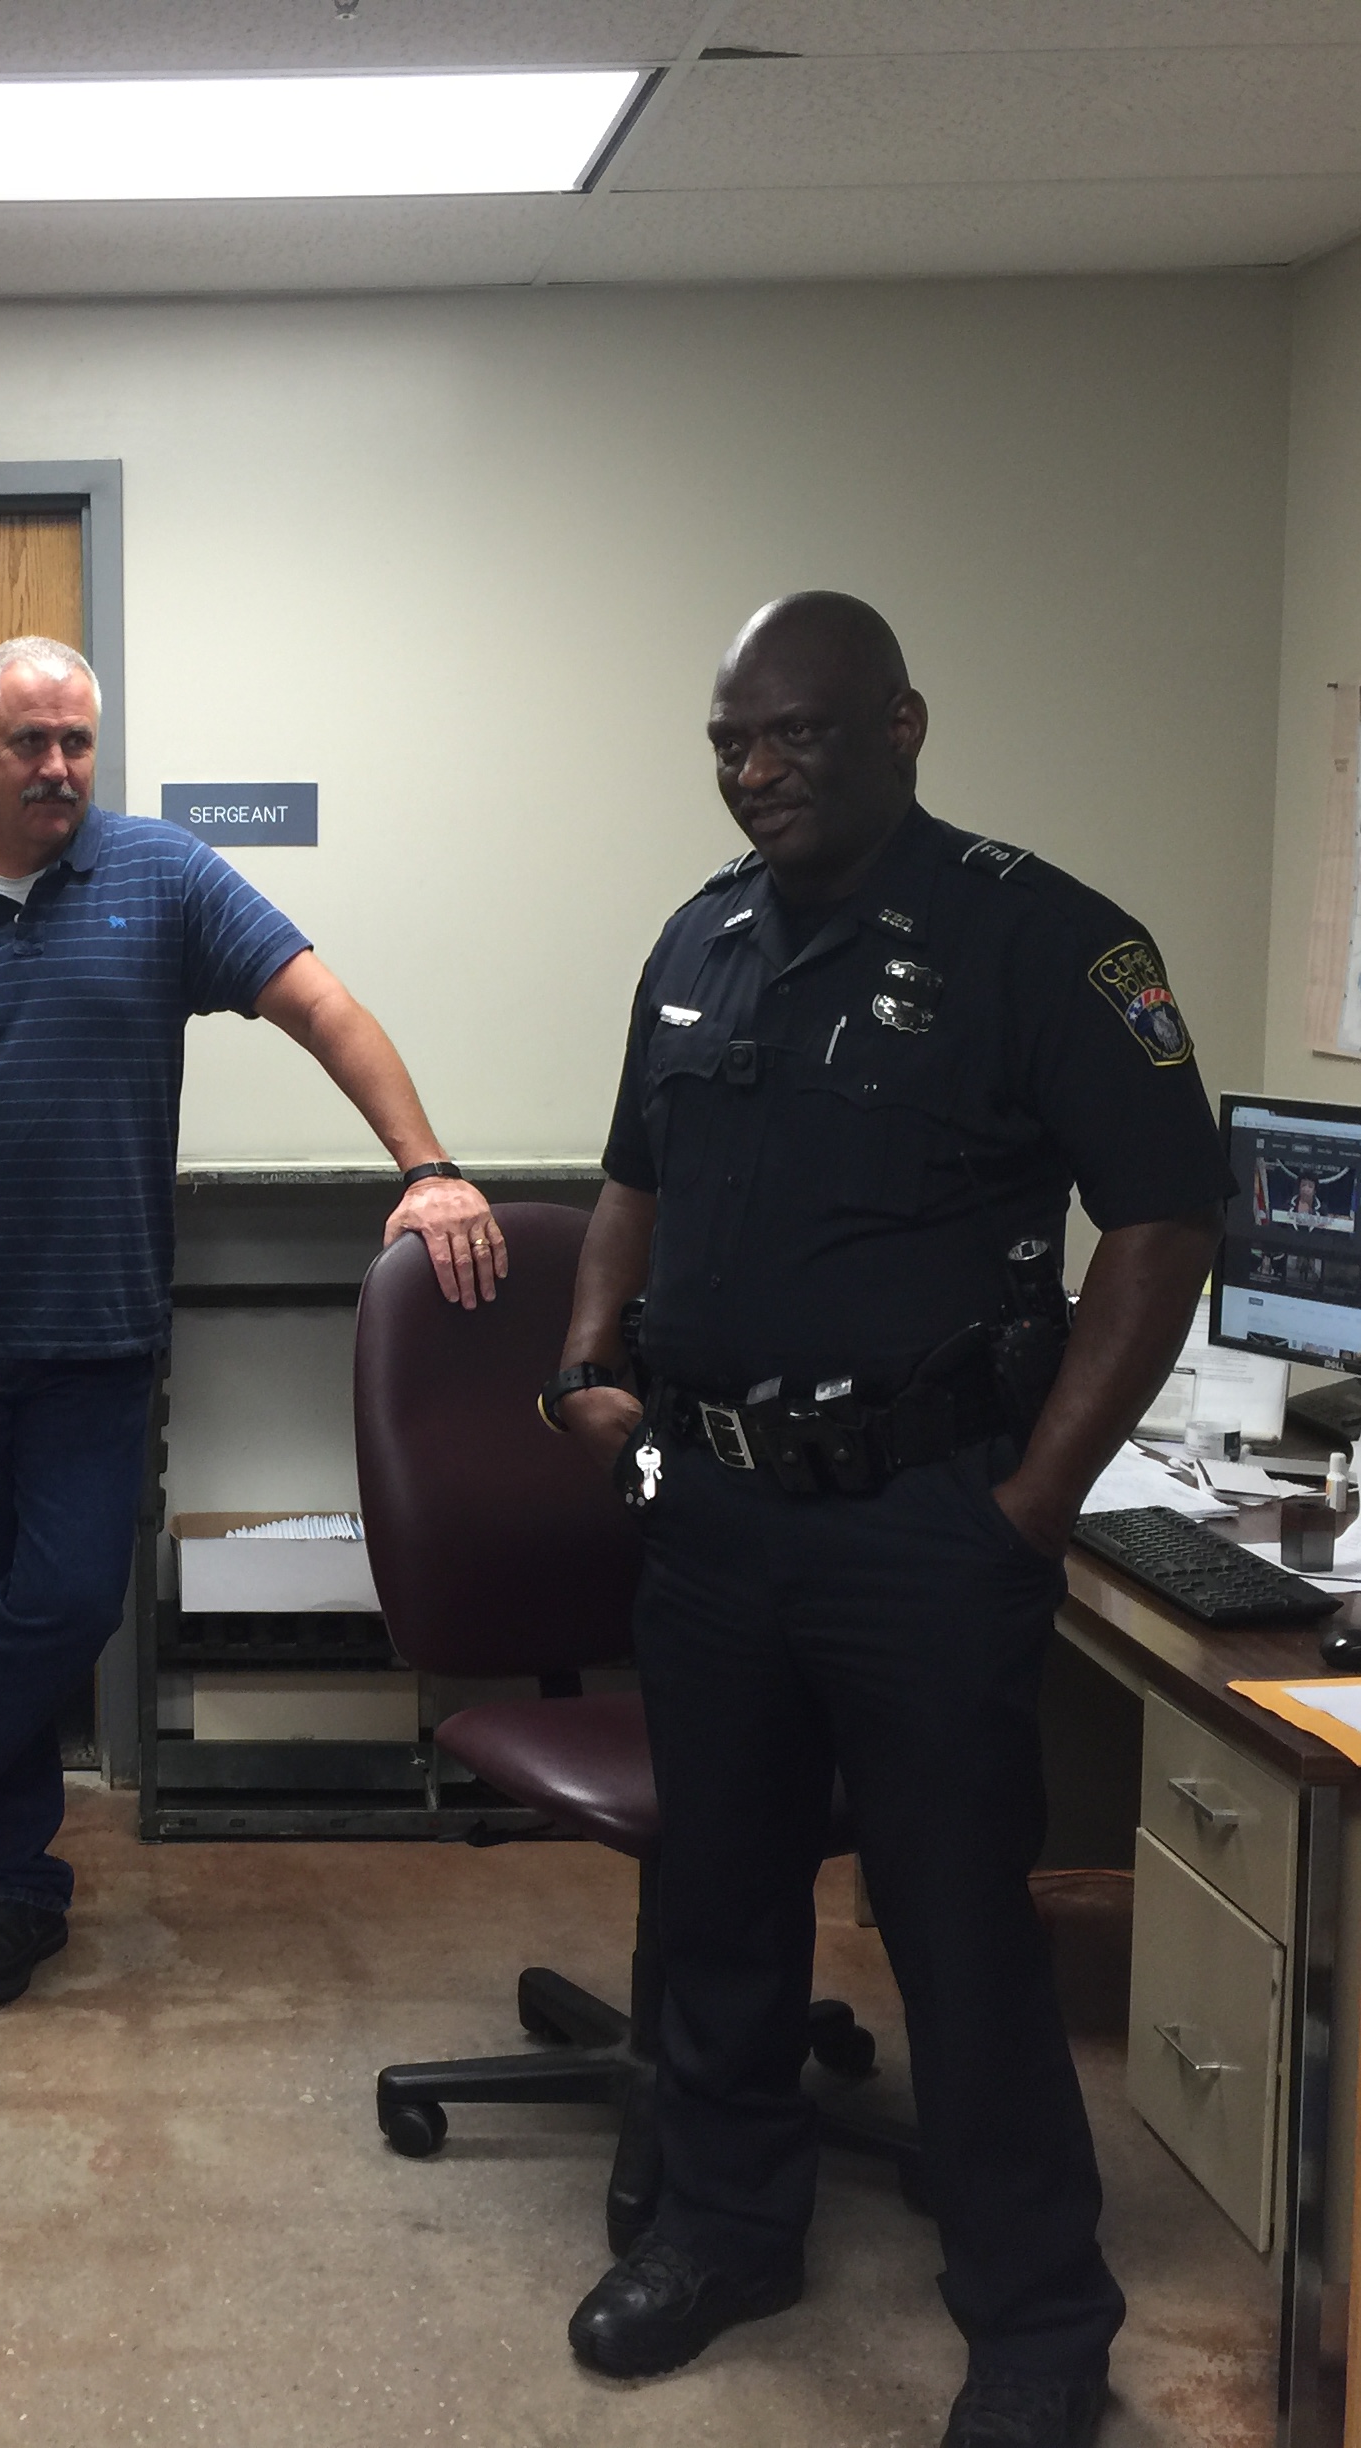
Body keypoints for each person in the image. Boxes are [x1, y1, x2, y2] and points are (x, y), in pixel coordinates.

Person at [541, 594, 1223, 2448]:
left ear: (903, 726)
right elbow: (632, 1176)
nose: (756, 771)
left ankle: (1037, 2321)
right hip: (713, 1518)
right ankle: (725, 2228)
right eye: (729, 743)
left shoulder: (1047, 943)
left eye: (797, 734)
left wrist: (1034, 1503)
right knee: (720, 1899)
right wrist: (590, 1356)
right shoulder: (700, 941)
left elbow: (1164, 1223)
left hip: (926, 1523)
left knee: (958, 1929)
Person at [0, 634, 499, 2005]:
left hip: (98, 1335)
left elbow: (323, 1008)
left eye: (78, 742)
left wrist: (429, 1166)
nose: (58, 767)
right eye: (30, 741)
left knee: (61, 1603)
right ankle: (14, 1886)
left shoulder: (163, 878)